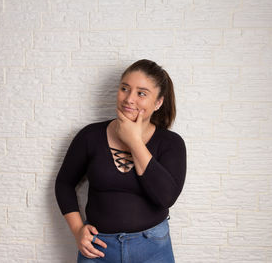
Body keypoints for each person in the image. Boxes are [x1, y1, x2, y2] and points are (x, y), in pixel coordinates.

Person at [55, 59, 187, 263]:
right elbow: (64, 183)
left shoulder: (171, 143)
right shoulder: (90, 136)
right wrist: (77, 230)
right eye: (125, 88)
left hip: (153, 250)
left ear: (158, 102)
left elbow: (166, 197)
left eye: (141, 93)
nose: (129, 99)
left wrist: (134, 141)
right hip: (97, 249)